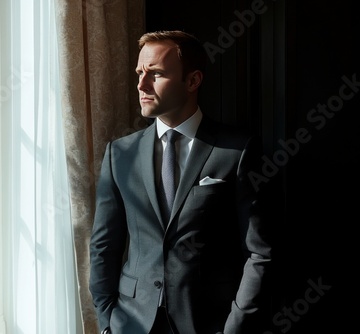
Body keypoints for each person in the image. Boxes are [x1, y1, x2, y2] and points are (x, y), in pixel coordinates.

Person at [89, 30, 272, 334]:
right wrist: (107, 320)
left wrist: (235, 327)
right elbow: (104, 246)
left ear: (192, 81)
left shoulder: (237, 151)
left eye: (156, 74)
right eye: (139, 73)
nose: (141, 84)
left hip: (208, 321)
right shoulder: (119, 154)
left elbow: (259, 252)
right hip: (131, 322)